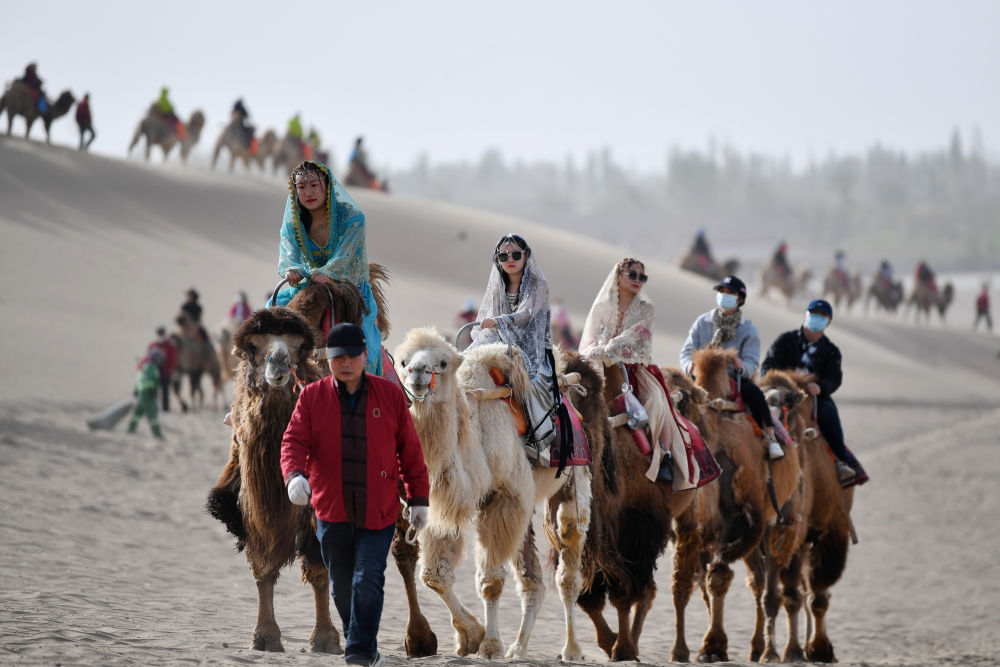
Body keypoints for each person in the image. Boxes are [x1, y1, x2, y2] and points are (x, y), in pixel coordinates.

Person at [281, 323, 429, 667]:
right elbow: (293, 442)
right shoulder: (312, 396)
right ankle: (364, 646)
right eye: (338, 357)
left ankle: (360, 655)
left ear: (365, 356)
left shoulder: (389, 396)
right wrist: (294, 476)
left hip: (378, 512)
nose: (345, 363)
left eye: (352, 356)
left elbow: (410, 452)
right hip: (331, 512)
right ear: (329, 359)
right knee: (342, 588)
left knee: (368, 582)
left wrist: (419, 499)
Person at [581, 258, 718, 487]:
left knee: (656, 401)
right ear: (618, 275)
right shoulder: (602, 306)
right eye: (632, 275)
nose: (637, 280)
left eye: (642, 277)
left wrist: (612, 348)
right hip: (600, 365)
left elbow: (638, 335)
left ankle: (663, 455)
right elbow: (590, 334)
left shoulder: (647, 309)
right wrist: (597, 349)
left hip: (635, 367)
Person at [272, 160, 384, 375]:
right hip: (308, 287)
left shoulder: (353, 219)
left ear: (328, 185)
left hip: (351, 291)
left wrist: (329, 272)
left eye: (314, 185)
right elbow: (289, 251)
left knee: (367, 351)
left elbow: (345, 256)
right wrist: (292, 269)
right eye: (302, 187)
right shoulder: (294, 225)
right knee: (270, 322)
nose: (308, 192)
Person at [469, 233, 562, 453]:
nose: (509, 259)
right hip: (501, 346)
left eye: (516, 254)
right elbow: (489, 323)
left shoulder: (538, 284)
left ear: (526, 256)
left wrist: (498, 321)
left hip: (532, 352)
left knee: (528, 386)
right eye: (503, 256)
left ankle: (538, 437)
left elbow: (526, 314)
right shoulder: (498, 287)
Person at [761, 299, 868, 486]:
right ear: (805, 315)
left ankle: (840, 460)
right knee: (759, 408)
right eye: (813, 313)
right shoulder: (785, 340)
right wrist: (775, 381)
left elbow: (835, 378)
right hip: (781, 391)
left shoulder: (831, 351)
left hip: (814, 397)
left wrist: (822, 387)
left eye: (822, 316)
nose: (816, 318)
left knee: (829, 414)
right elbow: (768, 365)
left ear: (828, 322)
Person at [680, 275, 788, 460]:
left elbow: (752, 363)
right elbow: (687, 351)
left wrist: (741, 366)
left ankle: (770, 437)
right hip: (700, 376)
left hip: (733, 379)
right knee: (676, 395)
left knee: (755, 395)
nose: (724, 295)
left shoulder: (748, 330)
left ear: (740, 299)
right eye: (721, 292)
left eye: (730, 293)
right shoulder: (702, 322)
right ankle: (668, 442)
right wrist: (688, 365)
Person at [128, 347, 164, 439]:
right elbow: (153, 383)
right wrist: (153, 392)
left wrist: (136, 390)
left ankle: (131, 428)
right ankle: (157, 433)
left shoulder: (145, 366)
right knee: (152, 413)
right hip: (147, 394)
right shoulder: (154, 369)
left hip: (141, 392)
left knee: (138, 411)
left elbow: (138, 378)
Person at [148, 326, 178, 412]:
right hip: (154, 372)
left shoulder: (170, 346)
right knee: (154, 390)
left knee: (165, 391)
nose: (160, 335)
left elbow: (173, 358)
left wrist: (173, 369)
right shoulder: (153, 345)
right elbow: (148, 357)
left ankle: (166, 408)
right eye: (159, 333)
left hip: (166, 371)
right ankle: (154, 407)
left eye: (162, 333)